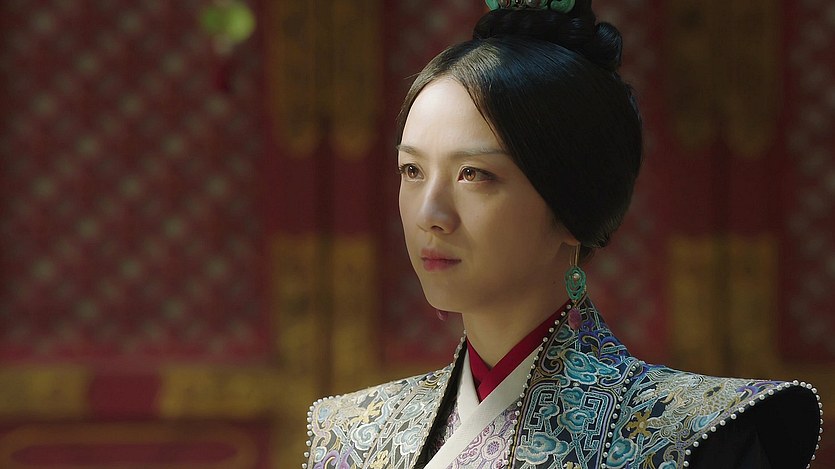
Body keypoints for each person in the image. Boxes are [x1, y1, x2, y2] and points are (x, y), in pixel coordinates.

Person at [304, 0, 823, 467]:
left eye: (474, 174)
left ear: (574, 205)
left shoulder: (693, 438)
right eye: (412, 170)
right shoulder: (355, 439)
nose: (430, 213)